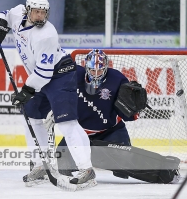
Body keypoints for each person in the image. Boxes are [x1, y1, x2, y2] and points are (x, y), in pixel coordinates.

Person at [0, 0, 96, 189]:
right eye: (36, 12)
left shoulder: (46, 34)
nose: (40, 16)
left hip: (60, 74)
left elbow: (44, 72)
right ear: (28, 10)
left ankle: (86, 170)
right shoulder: (19, 13)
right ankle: (41, 165)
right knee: (31, 116)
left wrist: (27, 90)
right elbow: (4, 13)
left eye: (43, 12)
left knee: (66, 121)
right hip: (40, 76)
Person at [45, 49, 180, 184]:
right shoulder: (73, 74)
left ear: (106, 67)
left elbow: (126, 114)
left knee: (124, 163)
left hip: (111, 131)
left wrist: (132, 111)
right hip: (79, 133)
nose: (96, 74)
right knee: (63, 162)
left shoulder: (117, 79)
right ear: (86, 67)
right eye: (93, 70)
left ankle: (166, 169)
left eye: (100, 70)